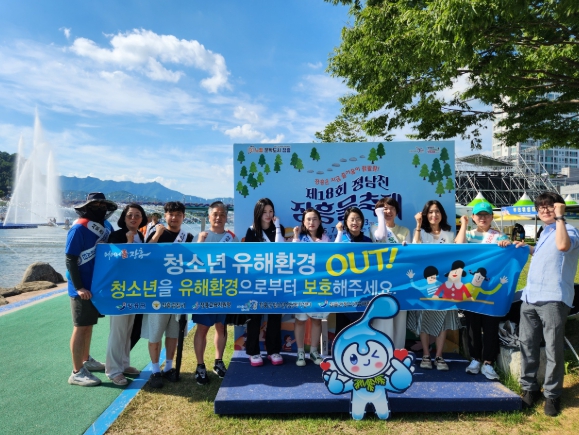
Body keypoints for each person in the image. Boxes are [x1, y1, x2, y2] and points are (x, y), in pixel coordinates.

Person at [514, 192, 579, 416]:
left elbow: (562, 246)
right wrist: (527, 248)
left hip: (553, 298)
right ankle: (529, 388)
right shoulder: (545, 232)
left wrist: (560, 217)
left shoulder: (569, 230)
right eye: (540, 207)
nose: (544, 210)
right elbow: (545, 254)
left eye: (549, 206)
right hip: (530, 297)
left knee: (553, 348)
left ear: (559, 207)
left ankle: (552, 394)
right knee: (527, 345)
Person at [65, 192, 117, 386]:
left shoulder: (107, 227)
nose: (100, 209)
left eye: (103, 206)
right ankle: (76, 371)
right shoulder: (79, 228)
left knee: (88, 325)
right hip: (81, 287)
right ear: (87, 207)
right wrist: (79, 287)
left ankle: (86, 359)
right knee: (80, 327)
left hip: (97, 285)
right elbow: (70, 258)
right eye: (95, 206)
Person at [455, 202, 511, 380]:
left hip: (491, 290)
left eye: (486, 215)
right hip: (471, 290)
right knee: (473, 325)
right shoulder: (469, 234)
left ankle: (488, 362)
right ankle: (475, 359)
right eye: (479, 215)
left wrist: (506, 243)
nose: (483, 218)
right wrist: (463, 225)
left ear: (491, 217)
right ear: (473, 217)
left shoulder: (498, 235)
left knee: (490, 325)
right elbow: (458, 246)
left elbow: (509, 251)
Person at [144, 201, 194, 388]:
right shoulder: (156, 233)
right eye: (171, 214)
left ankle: (169, 367)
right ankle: (155, 370)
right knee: (155, 333)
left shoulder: (188, 237)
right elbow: (145, 253)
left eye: (178, 214)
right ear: (165, 215)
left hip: (180, 292)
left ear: (183, 217)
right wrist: (157, 234)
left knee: (174, 332)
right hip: (159, 291)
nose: (174, 218)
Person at [407, 200, 459, 371]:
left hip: (445, 284)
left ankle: (439, 355)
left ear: (442, 214)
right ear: (425, 215)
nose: (434, 215)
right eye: (430, 212)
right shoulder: (420, 232)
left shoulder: (449, 234)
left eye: (437, 211)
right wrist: (418, 225)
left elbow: (457, 253)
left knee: (443, 319)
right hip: (425, 284)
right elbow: (415, 250)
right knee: (423, 318)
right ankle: (426, 355)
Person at [192, 201, 238, 385]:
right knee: (202, 328)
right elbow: (193, 263)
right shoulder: (201, 236)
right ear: (209, 216)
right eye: (215, 214)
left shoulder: (232, 238)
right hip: (204, 291)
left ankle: (218, 362)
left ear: (226, 218)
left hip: (224, 290)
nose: (218, 217)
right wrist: (199, 243)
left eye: (222, 214)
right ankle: (200, 365)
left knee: (221, 326)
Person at [105, 203, 147, 386]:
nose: (133, 218)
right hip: (119, 289)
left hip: (134, 288)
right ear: (124, 217)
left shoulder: (141, 236)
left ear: (142, 218)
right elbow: (114, 262)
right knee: (118, 329)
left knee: (128, 328)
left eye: (137, 215)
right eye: (130, 215)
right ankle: (113, 370)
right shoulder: (116, 235)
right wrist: (128, 243)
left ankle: (123, 363)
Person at [243, 198, 285, 367]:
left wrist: (277, 226)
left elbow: (281, 250)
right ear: (258, 213)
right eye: (265, 212)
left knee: (275, 315)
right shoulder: (252, 230)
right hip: (257, 280)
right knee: (255, 316)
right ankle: (253, 351)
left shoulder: (279, 228)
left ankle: (273, 350)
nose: (268, 215)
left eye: (271, 211)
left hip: (275, 279)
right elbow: (249, 256)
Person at [370, 197, 411, 349]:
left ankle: (398, 351)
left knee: (400, 316)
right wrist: (380, 216)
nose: (388, 211)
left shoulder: (405, 231)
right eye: (384, 208)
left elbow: (407, 256)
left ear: (397, 211)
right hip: (381, 279)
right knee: (383, 315)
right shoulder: (374, 228)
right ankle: (381, 350)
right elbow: (380, 237)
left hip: (400, 279)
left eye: (391, 208)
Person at [292, 208, 330, 366]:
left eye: (314, 219)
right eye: (308, 219)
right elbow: (292, 256)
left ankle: (314, 351)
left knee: (316, 319)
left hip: (319, 285)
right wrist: (295, 237)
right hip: (302, 285)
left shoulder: (325, 238)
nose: (311, 222)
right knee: (300, 319)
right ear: (303, 222)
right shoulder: (299, 238)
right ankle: (300, 352)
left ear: (319, 221)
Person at [334, 206, 372, 334]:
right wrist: (339, 232)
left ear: (362, 221)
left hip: (362, 289)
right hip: (344, 289)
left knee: (361, 325)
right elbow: (333, 255)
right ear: (346, 222)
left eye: (358, 219)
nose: (355, 222)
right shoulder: (341, 239)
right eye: (352, 219)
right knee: (342, 327)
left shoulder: (368, 242)